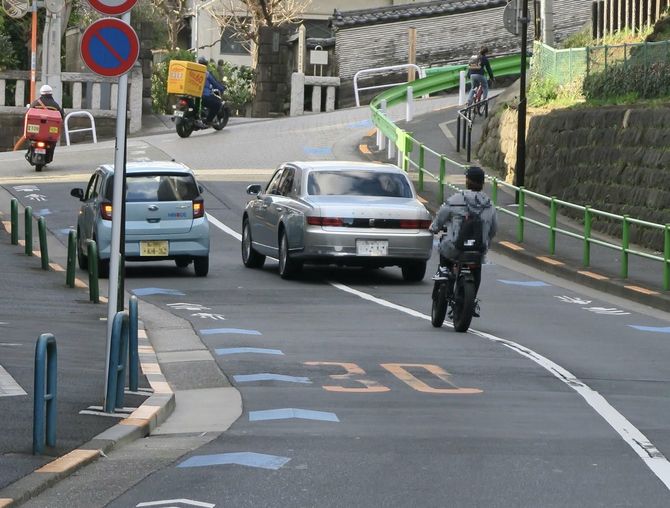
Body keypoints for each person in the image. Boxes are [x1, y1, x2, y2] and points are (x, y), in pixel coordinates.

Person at [429, 166, 497, 315]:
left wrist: (434, 228)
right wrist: (486, 242)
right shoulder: (489, 205)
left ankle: (444, 272)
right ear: (482, 183)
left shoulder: (455, 199)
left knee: (444, 248)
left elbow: (440, 219)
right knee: (476, 269)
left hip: (454, 249)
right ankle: (470, 302)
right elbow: (493, 229)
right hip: (477, 250)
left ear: (467, 181)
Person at [28, 84, 64, 163]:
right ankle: (48, 158)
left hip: (36, 133)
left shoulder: (35, 103)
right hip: (49, 134)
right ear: (51, 93)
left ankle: (30, 153)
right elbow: (61, 117)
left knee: (31, 141)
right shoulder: (55, 105)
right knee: (53, 143)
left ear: (41, 93)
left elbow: (28, 113)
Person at [198, 56, 225, 127]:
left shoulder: (193, 71)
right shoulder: (206, 74)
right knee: (217, 104)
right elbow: (215, 83)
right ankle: (208, 121)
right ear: (206, 65)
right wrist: (221, 89)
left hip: (193, 96)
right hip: (204, 96)